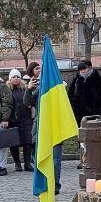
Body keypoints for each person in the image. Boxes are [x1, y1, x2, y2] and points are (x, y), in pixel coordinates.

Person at [22, 61, 63, 193]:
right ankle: (43, 183)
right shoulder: (37, 87)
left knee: (55, 159)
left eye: (41, 69)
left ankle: (55, 185)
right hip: (41, 126)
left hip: (56, 125)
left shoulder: (58, 86)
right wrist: (29, 88)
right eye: (37, 69)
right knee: (41, 158)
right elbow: (27, 102)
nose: (39, 71)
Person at [68, 59, 101, 126]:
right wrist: (74, 105)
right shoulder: (76, 79)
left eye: (84, 68)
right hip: (79, 112)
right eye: (80, 69)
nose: (83, 71)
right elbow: (70, 93)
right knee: (81, 132)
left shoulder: (98, 79)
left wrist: (99, 106)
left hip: (94, 111)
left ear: (90, 67)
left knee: (94, 131)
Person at [7, 69, 34, 172]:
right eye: (14, 77)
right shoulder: (7, 90)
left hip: (26, 118)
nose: (16, 79)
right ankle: (17, 163)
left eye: (18, 76)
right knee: (14, 142)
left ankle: (27, 163)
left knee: (27, 141)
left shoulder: (25, 89)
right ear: (10, 79)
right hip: (13, 119)